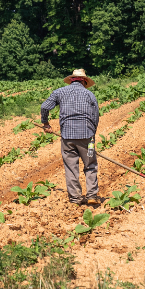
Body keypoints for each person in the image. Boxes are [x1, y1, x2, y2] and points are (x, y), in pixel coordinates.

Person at [41, 69, 100, 206]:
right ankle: (92, 195)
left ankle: (75, 198)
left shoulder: (59, 92)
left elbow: (44, 107)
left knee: (71, 167)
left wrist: (45, 123)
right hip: (88, 137)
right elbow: (95, 115)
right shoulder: (89, 94)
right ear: (84, 81)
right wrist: (92, 133)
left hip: (67, 137)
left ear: (71, 80)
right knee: (90, 164)